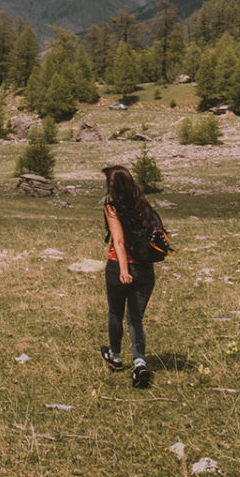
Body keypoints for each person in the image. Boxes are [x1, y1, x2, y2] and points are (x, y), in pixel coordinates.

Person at [99, 163, 160, 388]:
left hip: (119, 268)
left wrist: (124, 270)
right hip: (146, 270)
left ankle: (115, 356)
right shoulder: (143, 205)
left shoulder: (112, 206)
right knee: (135, 319)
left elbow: (119, 241)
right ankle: (140, 363)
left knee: (116, 312)